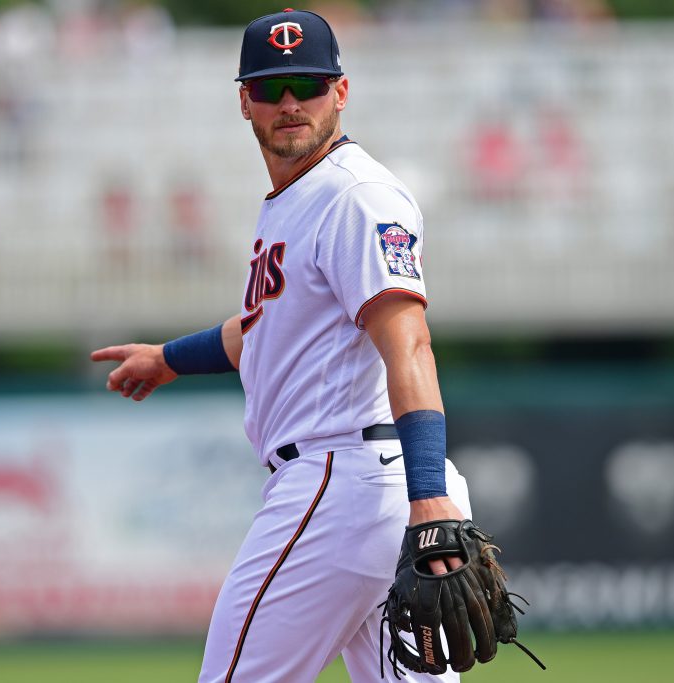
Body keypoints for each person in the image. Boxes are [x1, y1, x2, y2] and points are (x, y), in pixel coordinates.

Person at [91, 9, 474, 682]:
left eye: (309, 84)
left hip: (341, 483)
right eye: (272, 88)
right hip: (368, 489)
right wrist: (170, 357)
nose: (291, 102)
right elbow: (265, 332)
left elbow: (409, 344)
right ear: (245, 101)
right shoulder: (297, 200)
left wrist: (430, 495)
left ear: (342, 91)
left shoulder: (356, 195)